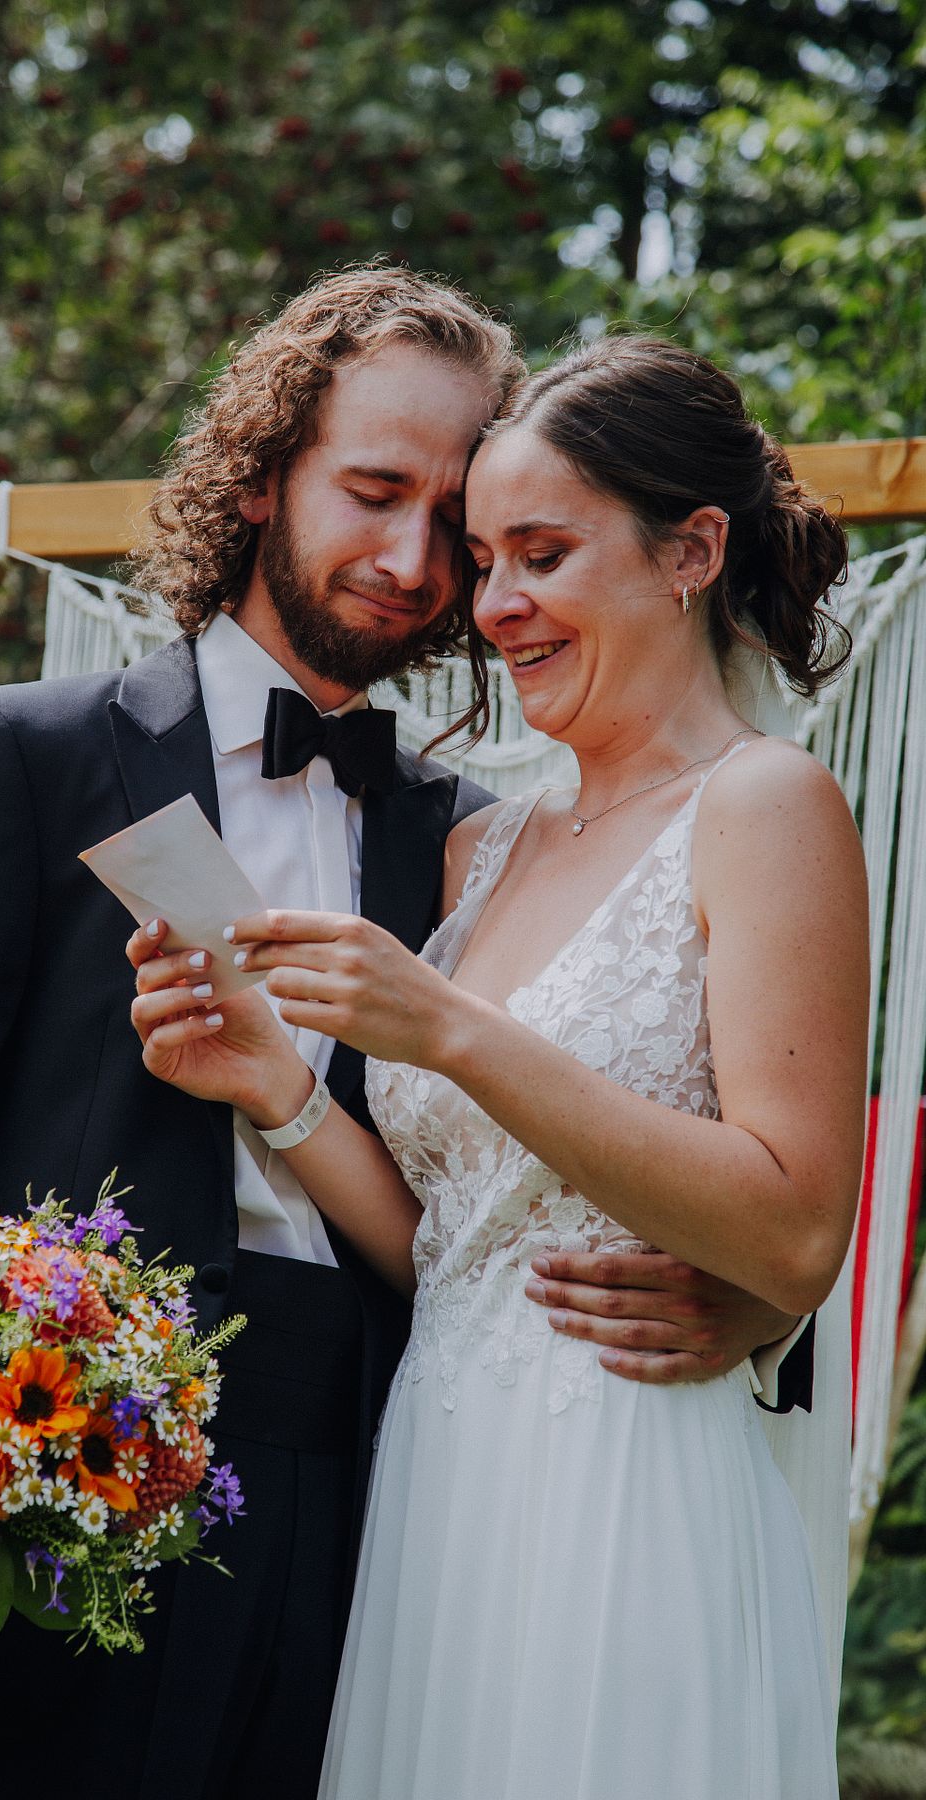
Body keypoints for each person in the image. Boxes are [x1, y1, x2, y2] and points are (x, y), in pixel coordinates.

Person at [0, 276, 810, 1800]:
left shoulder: (474, 844)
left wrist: (749, 1313)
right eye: (373, 490)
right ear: (258, 476)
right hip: (65, 1529)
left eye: (455, 523)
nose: (410, 561)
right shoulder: (31, 759)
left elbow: (598, 1162)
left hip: (397, 1532)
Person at [128, 335, 868, 1798]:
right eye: (486, 557)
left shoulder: (768, 808)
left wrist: (456, 1032)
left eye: (543, 551)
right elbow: (450, 1247)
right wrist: (273, 1084)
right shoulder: (484, 844)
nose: (496, 604)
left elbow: (795, 1231)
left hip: (626, 1493)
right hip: (439, 1493)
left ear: (691, 551)